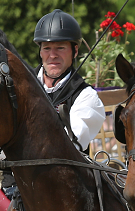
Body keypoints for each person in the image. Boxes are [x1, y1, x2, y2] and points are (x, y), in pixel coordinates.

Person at [33, 9, 106, 152]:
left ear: (75, 51)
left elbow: (68, 145)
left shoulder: (86, 96)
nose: (52, 55)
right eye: (47, 48)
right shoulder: (22, 84)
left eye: (60, 48)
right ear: (40, 52)